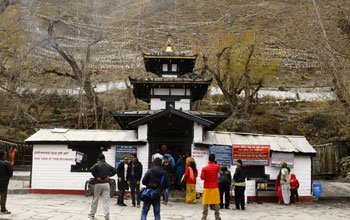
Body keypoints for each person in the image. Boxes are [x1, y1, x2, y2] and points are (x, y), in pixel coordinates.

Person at [88, 154, 117, 220]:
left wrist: (96, 176)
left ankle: (92, 214)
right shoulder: (108, 165)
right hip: (106, 184)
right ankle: (106, 216)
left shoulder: (97, 164)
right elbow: (115, 170)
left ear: (98, 158)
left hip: (98, 184)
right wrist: (109, 176)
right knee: (106, 201)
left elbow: (91, 169)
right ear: (104, 158)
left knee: (95, 199)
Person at [200, 154, 221, 220]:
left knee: (205, 202)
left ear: (208, 159)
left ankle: (204, 216)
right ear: (214, 159)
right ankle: (217, 216)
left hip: (207, 187)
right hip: (215, 187)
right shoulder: (217, 167)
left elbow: (202, 178)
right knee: (216, 202)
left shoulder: (204, 168)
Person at [0, 150, 13, 214]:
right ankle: (3, 209)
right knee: (3, 195)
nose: (6, 155)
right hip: (4, 182)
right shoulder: (7, 163)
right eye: (5, 154)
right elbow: (10, 173)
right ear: (3, 155)